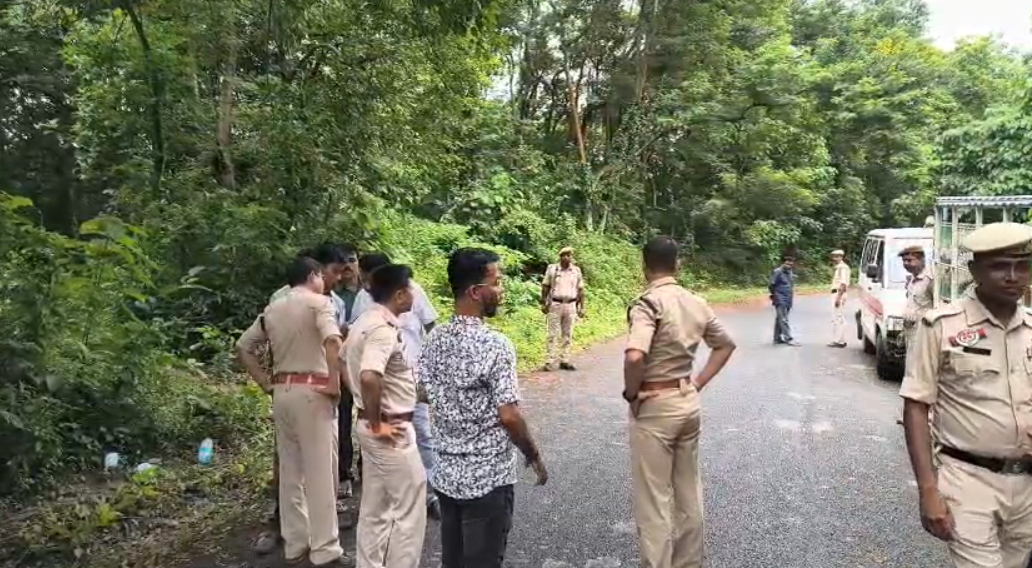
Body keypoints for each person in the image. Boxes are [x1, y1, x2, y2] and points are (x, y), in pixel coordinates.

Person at [900, 222, 1032, 568]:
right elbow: (915, 406)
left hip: (1027, 486)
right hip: (967, 480)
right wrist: (928, 490)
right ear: (975, 271)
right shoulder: (942, 326)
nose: (1013, 276)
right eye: (1000, 266)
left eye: (1022, 265)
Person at [418, 247, 549, 568]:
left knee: (453, 561)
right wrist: (532, 454)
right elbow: (509, 415)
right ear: (475, 292)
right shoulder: (496, 345)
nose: (501, 290)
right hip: (488, 482)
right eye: (497, 282)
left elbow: (422, 392)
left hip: (447, 477)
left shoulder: (434, 340)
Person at [622, 236, 737, 568]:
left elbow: (634, 356)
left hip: (655, 406)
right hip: (687, 402)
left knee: (654, 501)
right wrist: (697, 383)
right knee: (689, 492)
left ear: (644, 266)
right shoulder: (696, 302)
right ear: (678, 264)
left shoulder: (648, 304)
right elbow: (725, 345)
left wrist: (632, 394)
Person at [236, 256, 352, 568]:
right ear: (313, 275)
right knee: (321, 472)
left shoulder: (273, 309)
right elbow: (332, 340)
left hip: (283, 392)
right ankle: (325, 549)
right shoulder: (320, 303)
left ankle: (296, 545)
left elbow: (243, 347)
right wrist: (334, 383)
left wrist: (264, 383)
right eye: (322, 276)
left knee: (290, 473)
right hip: (313, 392)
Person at [344, 264, 427, 568]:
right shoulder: (381, 329)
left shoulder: (364, 321)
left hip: (372, 424)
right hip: (390, 427)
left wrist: (366, 411)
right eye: (411, 288)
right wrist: (378, 422)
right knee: (409, 507)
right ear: (400, 294)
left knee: (376, 507)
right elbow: (369, 375)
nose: (414, 294)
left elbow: (342, 360)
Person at [350, 251, 443, 519]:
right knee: (389, 441)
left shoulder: (412, 291)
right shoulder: (370, 311)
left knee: (421, 434)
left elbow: (431, 324)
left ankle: (430, 493)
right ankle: (397, 500)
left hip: (412, 374)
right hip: (385, 384)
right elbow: (365, 369)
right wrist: (372, 415)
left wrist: (431, 363)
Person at [541, 246, 585, 371]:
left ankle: (565, 360)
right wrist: (543, 303)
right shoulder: (553, 269)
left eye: (569, 255)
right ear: (560, 257)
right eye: (564, 255)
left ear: (572, 257)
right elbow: (545, 286)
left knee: (568, 334)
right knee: (552, 334)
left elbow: (581, 289)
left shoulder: (576, 271)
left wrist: (582, 307)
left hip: (571, 305)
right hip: (555, 304)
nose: (566, 257)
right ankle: (549, 360)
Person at [769, 255, 798, 346]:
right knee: (783, 319)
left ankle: (777, 338)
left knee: (780, 319)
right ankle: (788, 338)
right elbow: (771, 285)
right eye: (787, 263)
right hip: (780, 298)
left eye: (791, 263)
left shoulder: (790, 272)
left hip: (788, 298)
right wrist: (775, 295)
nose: (789, 265)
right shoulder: (777, 272)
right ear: (783, 263)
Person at [828, 249, 851, 348]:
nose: (835, 258)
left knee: (838, 318)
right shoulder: (838, 268)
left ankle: (839, 341)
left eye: (837, 256)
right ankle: (840, 339)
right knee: (837, 317)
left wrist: (838, 297)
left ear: (841, 257)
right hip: (837, 293)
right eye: (834, 256)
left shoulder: (843, 268)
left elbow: (843, 284)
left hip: (839, 293)